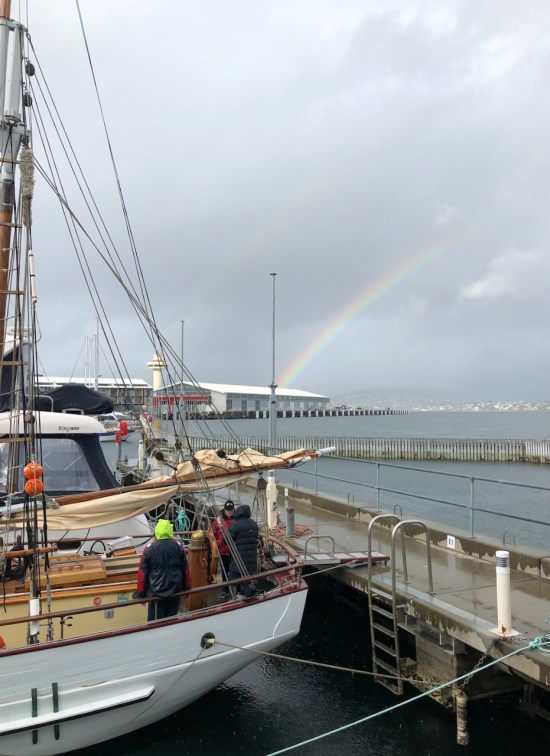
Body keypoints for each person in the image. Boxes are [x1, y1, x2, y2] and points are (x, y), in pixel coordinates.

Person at [136, 519, 188, 621]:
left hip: (156, 592)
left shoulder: (149, 548)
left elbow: (142, 573)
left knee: (154, 622)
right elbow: (185, 569)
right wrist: (187, 589)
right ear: (170, 531)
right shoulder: (179, 547)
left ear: (156, 532)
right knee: (171, 619)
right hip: (175, 590)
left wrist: (141, 594)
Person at [227, 504, 259, 598]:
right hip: (251, 562)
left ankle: (231, 600)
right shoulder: (254, 524)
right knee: (246, 582)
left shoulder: (234, 525)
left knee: (233, 582)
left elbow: (226, 540)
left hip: (237, 561)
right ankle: (249, 598)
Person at [212, 500, 235, 598]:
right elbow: (214, 533)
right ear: (224, 510)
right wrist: (217, 544)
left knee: (234, 570)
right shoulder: (218, 521)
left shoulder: (237, 520)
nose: (229, 512)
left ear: (234, 510)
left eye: (231, 510)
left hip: (234, 550)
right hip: (223, 550)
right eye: (227, 510)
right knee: (225, 571)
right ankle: (225, 589)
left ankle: (235, 589)